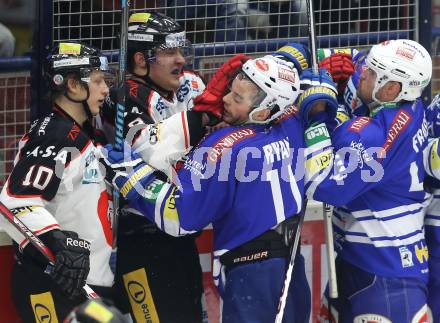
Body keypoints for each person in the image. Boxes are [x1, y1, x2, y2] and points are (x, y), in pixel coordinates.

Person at [101, 54, 340, 323]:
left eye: (237, 99)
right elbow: (322, 118)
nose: (225, 99)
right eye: (231, 91)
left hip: (251, 271)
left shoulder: (220, 148)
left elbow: (180, 217)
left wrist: (135, 175)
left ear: (263, 111)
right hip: (292, 266)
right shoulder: (295, 120)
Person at [304, 39, 432, 322]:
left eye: (373, 72)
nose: (362, 73)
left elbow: (322, 184)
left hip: (384, 278)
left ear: (391, 88)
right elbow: (356, 58)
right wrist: (313, 56)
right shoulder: (407, 106)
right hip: (367, 264)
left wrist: (316, 120)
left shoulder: (374, 136)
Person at [98, 11, 206, 323]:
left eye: (181, 50)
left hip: (180, 232)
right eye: (169, 52)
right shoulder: (124, 98)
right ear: (140, 60)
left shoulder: (188, 85)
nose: (181, 60)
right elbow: (157, 154)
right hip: (141, 237)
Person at [0, 42, 114, 321]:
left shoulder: (84, 134)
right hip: (51, 282)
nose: (105, 90)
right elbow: (14, 201)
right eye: (98, 81)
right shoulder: (56, 135)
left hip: (79, 287)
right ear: (73, 85)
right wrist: (60, 243)